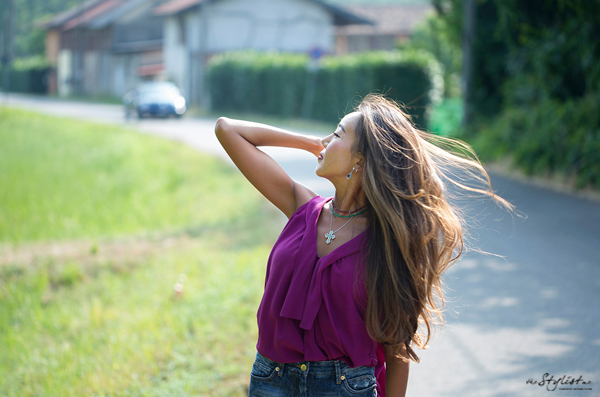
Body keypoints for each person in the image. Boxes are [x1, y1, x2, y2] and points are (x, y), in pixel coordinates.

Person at [215, 94, 510, 397]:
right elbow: (227, 130)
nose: (326, 140)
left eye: (338, 133)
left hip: (345, 387)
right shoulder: (301, 207)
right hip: (270, 379)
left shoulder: (389, 241)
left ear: (361, 160)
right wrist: (309, 141)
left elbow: (396, 350)